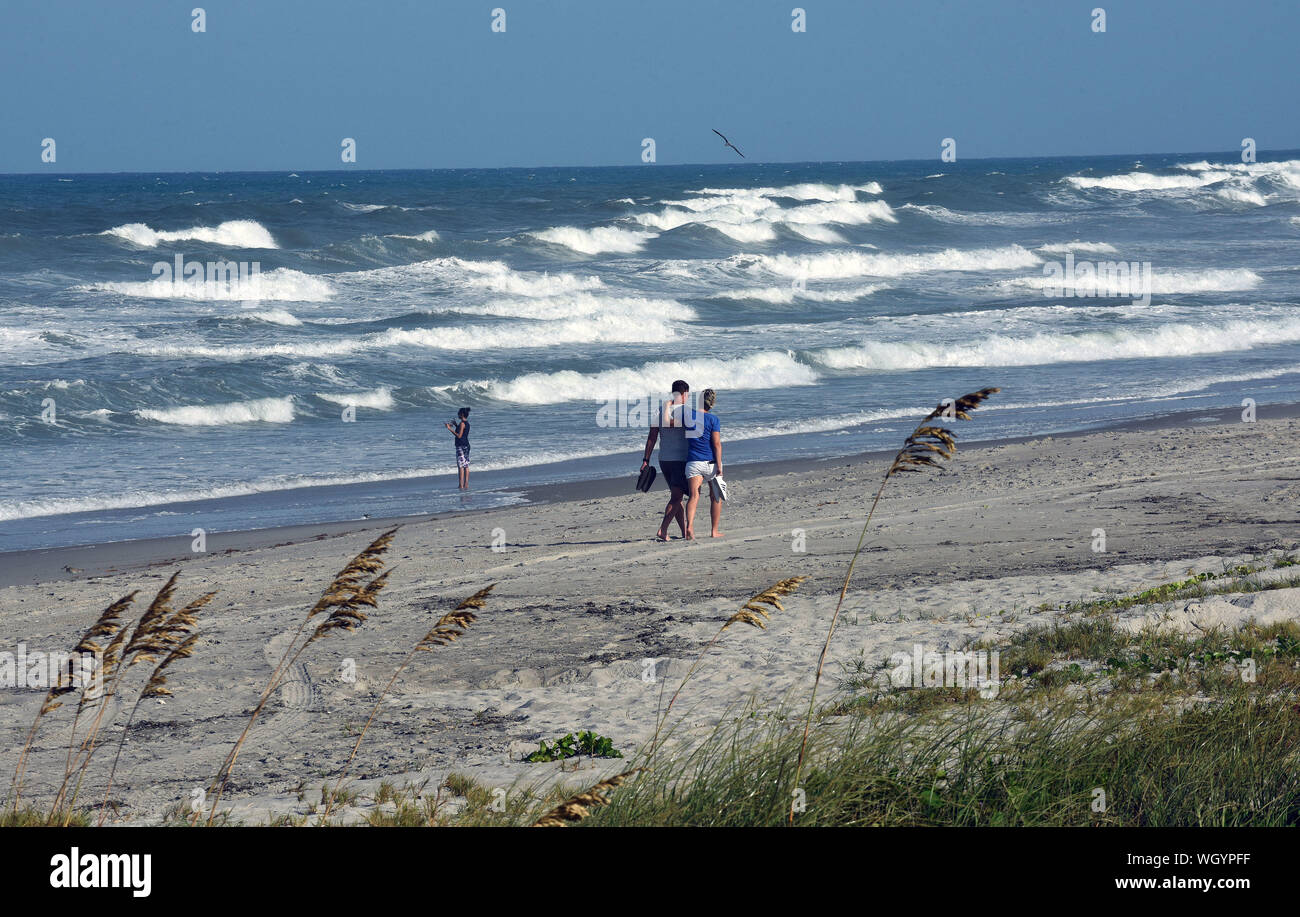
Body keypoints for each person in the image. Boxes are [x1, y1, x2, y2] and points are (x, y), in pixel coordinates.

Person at [640, 380, 690, 541]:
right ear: (684, 394)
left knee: (677, 496)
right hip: (679, 460)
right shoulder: (686, 412)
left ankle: (683, 532)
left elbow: (652, 437)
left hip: (664, 460)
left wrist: (646, 459)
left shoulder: (659, 411)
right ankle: (663, 530)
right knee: (676, 497)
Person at [684, 388, 724, 539]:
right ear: (712, 403)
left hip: (693, 462)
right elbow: (716, 444)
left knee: (694, 496)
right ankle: (714, 531)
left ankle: (689, 527)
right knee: (716, 497)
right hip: (711, 462)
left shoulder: (689, 416)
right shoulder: (714, 420)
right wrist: (719, 466)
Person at [445, 407, 471, 489]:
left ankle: (461, 485)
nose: (458, 414)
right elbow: (462, 433)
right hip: (466, 445)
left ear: (462, 414)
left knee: (461, 466)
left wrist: (449, 429)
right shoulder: (466, 423)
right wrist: (456, 425)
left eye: (459, 413)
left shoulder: (462, 424)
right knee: (466, 465)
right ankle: (466, 484)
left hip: (461, 446)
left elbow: (459, 435)